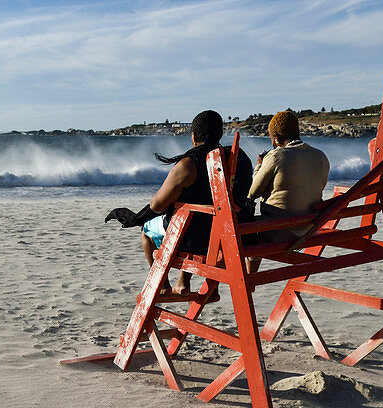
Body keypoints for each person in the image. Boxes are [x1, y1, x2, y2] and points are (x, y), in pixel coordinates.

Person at [106, 110, 253, 296]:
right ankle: (191, 283)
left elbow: (157, 205)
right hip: (228, 235)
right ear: (219, 134)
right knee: (198, 217)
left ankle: (163, 285)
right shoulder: (240, 160)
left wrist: (136, 218)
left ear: (194, 136)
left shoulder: (189, 164)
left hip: (195, 240)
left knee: (147, 229)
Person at [248, 111, 329, 241]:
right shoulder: (321, 156)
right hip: (309, 230)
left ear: (276, 137)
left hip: (278, 231)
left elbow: (253, 192)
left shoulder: (276, 156)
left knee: (247, 234)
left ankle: (250, 261)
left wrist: (259, 166)